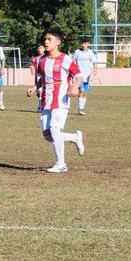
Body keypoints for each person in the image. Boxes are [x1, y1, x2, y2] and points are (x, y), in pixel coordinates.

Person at [26, 29, 84, 173]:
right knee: (48, 135)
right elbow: (42, 80)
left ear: (57, 42)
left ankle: (61, 164)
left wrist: (75, 87)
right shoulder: (42, 60)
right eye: (45, 39)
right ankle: (74, 137)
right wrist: (34, 88)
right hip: (46, 99)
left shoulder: (65, 59)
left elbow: (79, 76)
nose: (46, 42)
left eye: (49, 39)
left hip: (61, 99)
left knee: (54, 129)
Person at [71, 37, 97, 115]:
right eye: (82, 43)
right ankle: (80, 109)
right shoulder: (77, 52)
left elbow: (94, 62)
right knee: (81, 90)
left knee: (85, 93)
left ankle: (82, 108)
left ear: (88, 44)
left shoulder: (90, 53)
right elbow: (72, 62)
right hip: (79, 75)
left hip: (87, 75)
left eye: (85, 43)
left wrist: (95, 71)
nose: (83, 45)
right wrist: (73, 71)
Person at [29, 43, 45, 113]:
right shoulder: (35, 58)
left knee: (42, 91)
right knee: (38, 91)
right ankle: (40, 105)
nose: (39, 49)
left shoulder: (46, 57)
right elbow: (33, 65)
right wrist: (32, 68)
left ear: (44, 49)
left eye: (41, 48)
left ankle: (41, 107)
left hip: (44, 75)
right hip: (37, 75)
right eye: (39, 48)